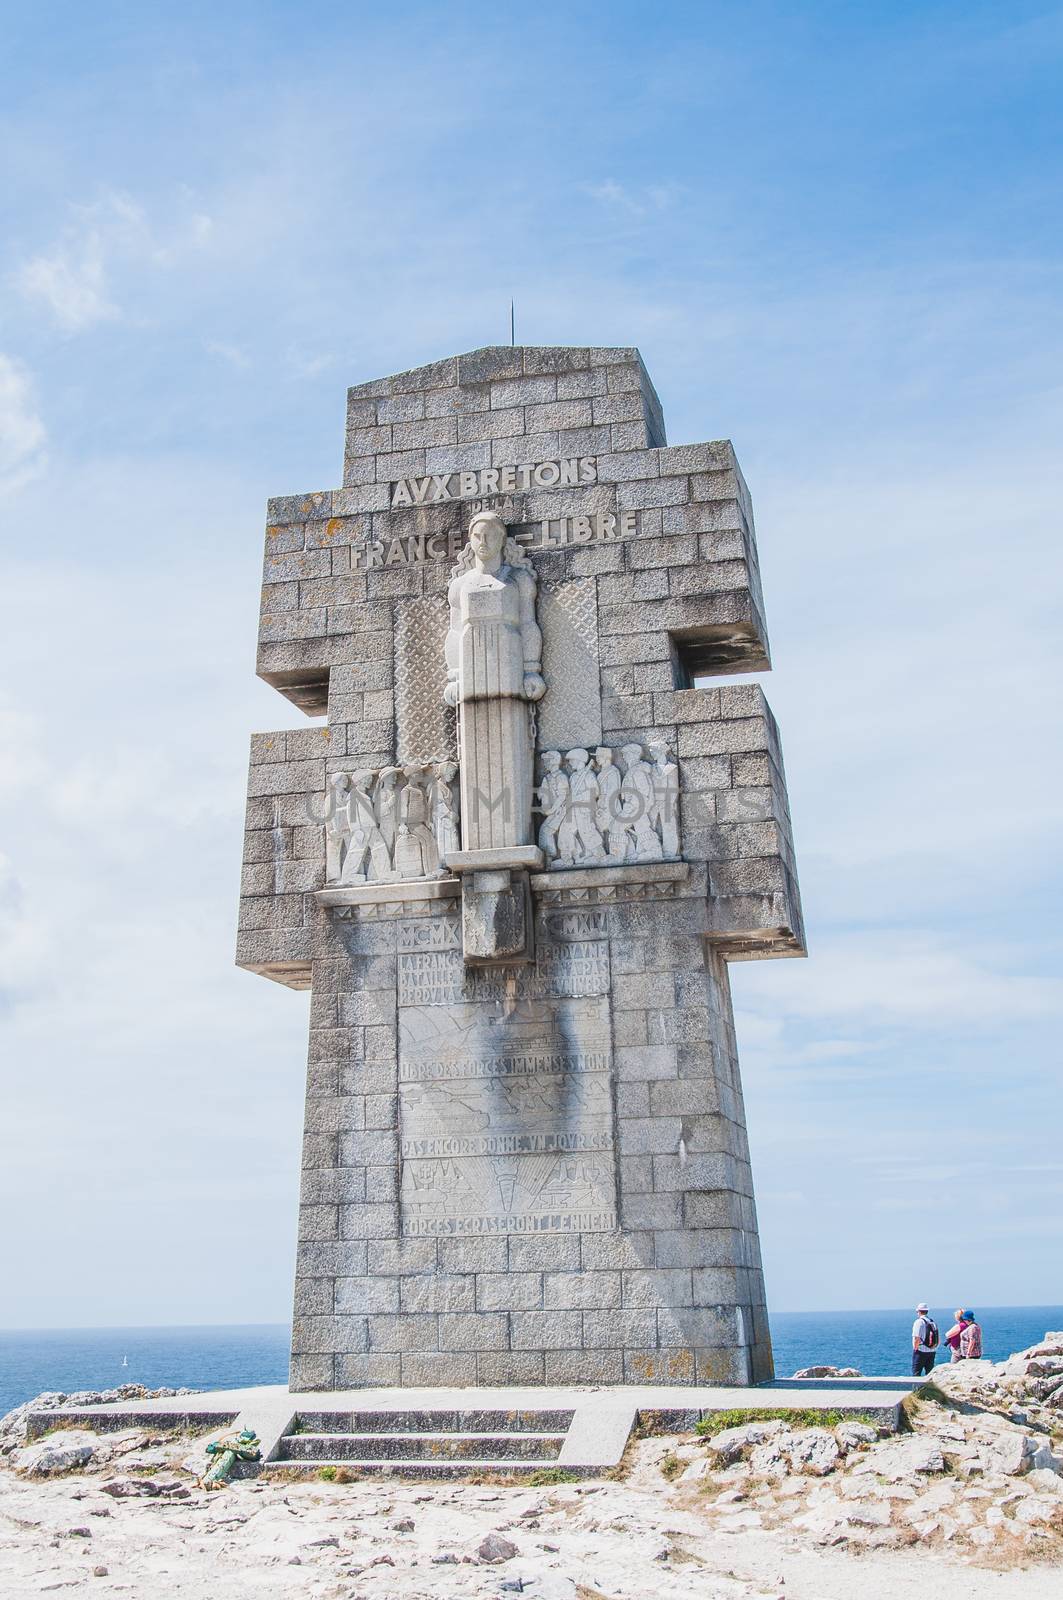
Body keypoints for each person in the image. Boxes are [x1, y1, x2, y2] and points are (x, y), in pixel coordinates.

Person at [911, 1302, 940, 1376]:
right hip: (932, 1350)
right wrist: (934, 1347)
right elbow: (937, 1337)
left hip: (921, 1351)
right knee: (930, 1373)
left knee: (916, 1373)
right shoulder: (932, 1322)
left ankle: (917, 1388)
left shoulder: (918, 1322)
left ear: (919, 1312)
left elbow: (916, 1338)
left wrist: (915, 1349)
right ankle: (929, 1387)